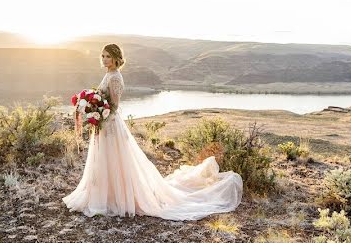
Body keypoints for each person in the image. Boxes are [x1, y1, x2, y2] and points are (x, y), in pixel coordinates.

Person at [62, 43, 243, 221]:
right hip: (104, 123)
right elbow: (104, 99)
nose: (104, 59)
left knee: (113, 159)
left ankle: (116, 198)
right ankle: (105, 195)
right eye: (102, 56)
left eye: (108, 56)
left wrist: (97, 110)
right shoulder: (108, 74)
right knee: (104, 159)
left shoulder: (115, 77)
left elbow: (115, 106)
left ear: (117, 58)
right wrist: (92, 104)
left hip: (110, 123)